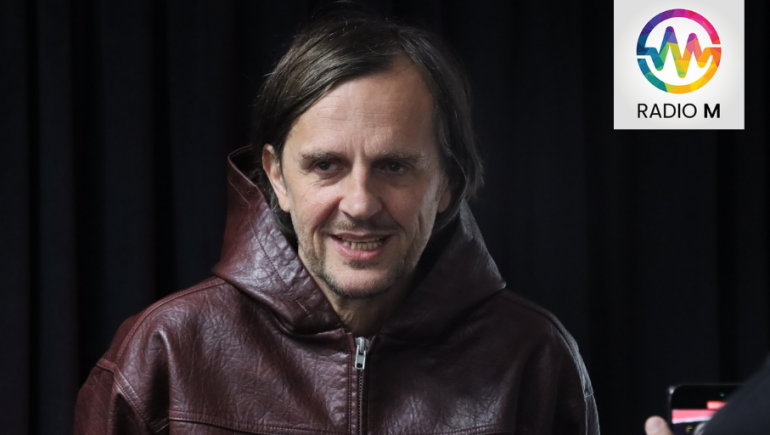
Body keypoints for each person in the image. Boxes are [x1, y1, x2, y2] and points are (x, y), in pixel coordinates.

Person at [74, 12, 599, 435]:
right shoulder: (163, 353)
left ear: (446, 183)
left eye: (394, 166)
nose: (361, 203)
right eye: (326, 165)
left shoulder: (534, 358)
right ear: (277, 176)